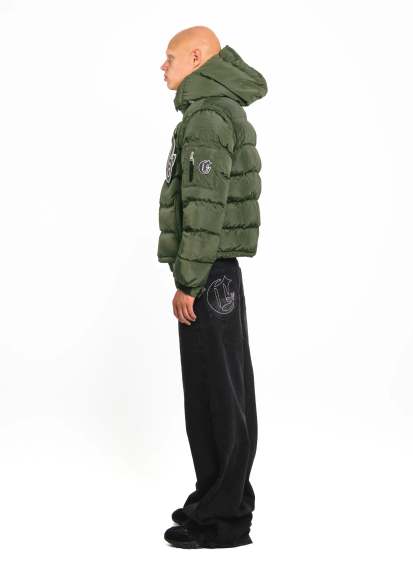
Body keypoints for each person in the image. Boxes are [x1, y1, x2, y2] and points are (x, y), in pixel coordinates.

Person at [157, 26, 267, 549]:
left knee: (215, 394)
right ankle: (218, 500)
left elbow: (205, 207)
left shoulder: (205, 117)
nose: (163, 67)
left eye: (170, 57)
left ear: (197, 57)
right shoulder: (217, 110)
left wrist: (188, 281)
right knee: (222, 390)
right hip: (219, 271)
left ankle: (223, 520)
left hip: (209, 272)